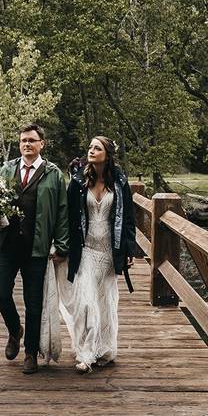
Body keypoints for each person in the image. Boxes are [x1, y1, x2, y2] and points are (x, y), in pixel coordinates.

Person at [0, 124, 69, 374]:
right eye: (23, 140)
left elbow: (61, 212)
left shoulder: (53, 174)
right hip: (6, 244)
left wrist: (61, 244)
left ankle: (30, 352)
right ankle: (15, 330)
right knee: (1, 294)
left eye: (32, 140)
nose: (27, 144)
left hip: (37, 247)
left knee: (33, 302)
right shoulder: (7, 170)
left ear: (41, 144)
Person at [61, 136, 135, 373]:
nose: (91, 151)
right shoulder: (78, 181)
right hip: (86, 250)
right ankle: (85, 352)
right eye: (90, 147)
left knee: (106, 302)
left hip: (110, 251)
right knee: (86, 301)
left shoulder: (120, 182)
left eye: (97, 148)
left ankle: (103, 348)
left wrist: (129, 248)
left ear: (107, 153)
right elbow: (68, 216)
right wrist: (60, 245)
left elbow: (129, 219)